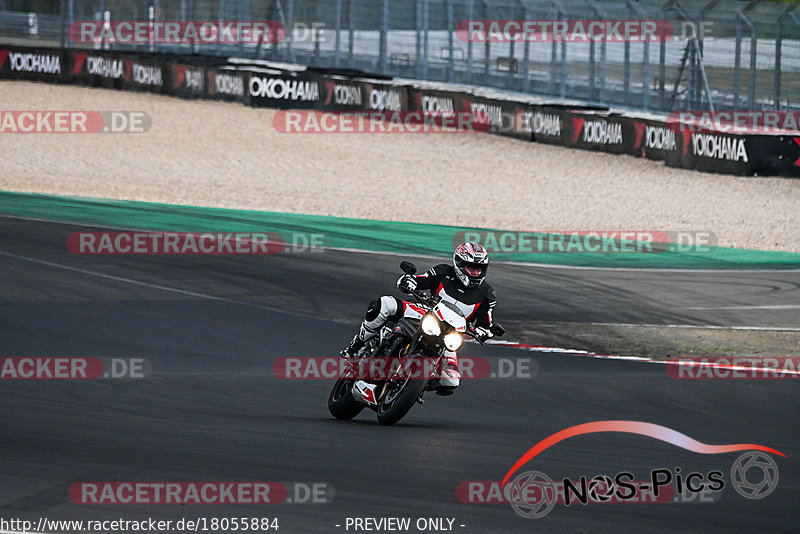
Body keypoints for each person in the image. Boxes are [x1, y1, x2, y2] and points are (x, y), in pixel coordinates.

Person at [341, 242, 497, 395]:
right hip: (425, 313)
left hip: (450, 335)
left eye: (480, 269)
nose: (476, 272)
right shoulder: (443, 271)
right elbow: (421, 279)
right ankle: (358, 347)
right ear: (459, 264)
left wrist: (486, 332)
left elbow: (486, 323)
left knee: (451, 381)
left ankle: (415, 386)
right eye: (472, 268)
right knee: (384, 304)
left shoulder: (487, 294)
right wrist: (409, 281)